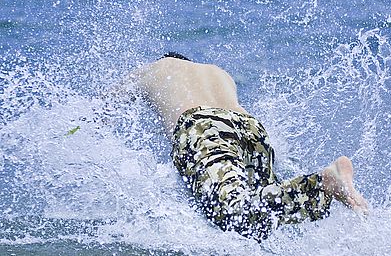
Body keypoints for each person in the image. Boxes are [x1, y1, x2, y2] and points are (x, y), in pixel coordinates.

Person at [113, 52, 368, 241]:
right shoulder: (216, 72)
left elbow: (106, 105)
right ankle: (319, 188)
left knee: (232, 215)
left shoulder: (156, 68)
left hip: (203, 128)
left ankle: (323, 182)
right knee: (258, 222)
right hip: (250, 129)